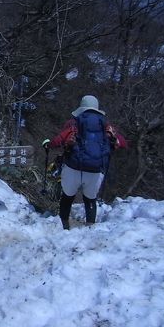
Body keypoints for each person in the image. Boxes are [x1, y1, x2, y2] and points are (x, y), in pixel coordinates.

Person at [42, 95, 127, 230]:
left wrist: (48, 144)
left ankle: (64, 225)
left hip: (73, 168)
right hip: (96, 171)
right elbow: (122, 142)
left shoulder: (74, 123)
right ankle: (90, 227)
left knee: (67, 196)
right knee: (90, 199)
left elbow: (59, 140)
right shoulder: (106, 126)